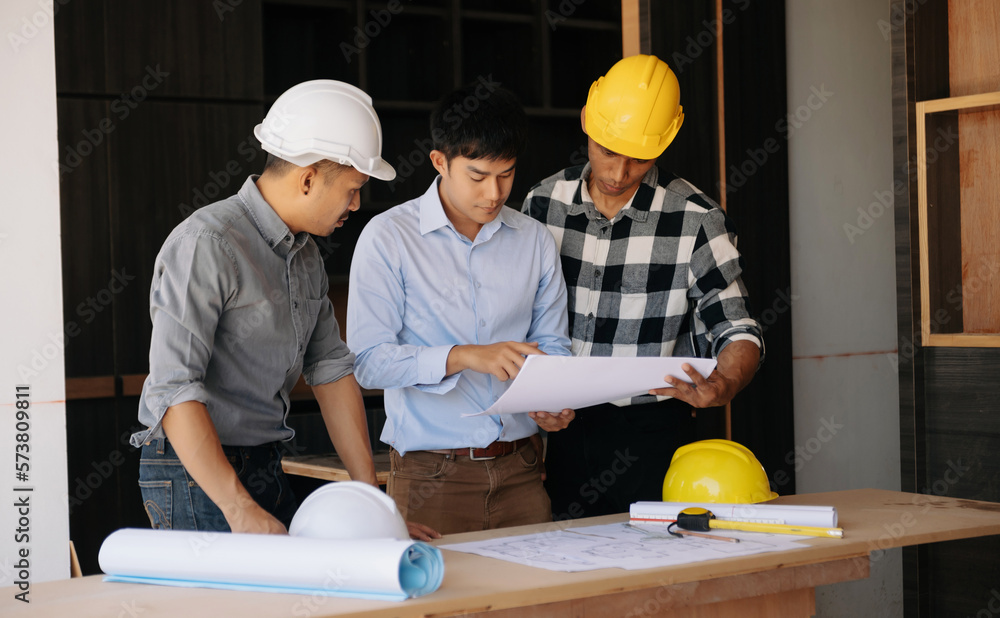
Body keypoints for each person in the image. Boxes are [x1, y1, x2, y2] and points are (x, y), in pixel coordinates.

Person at [132, 79, 437, 541]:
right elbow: (173, 390)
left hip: (263, 460)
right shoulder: (207, 244)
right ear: (309, 178)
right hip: (195, 472)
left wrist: (375, 507)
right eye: (353, 189)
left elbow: (331, 370)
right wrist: (237, 507)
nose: (356, 204)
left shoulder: (306, 255)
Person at [522, 55, 764, 519]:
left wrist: (725, 382)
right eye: (608, 150)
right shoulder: (541, 205)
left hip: (654, 431)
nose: (618, 173)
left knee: (659, 574)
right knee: (571, 572)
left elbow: (737, 328)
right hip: (562, 428)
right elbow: (517, 316)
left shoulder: (696, 219)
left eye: (638, 159)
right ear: (587, 122)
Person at [347, 85, 575, 535]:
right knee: (436, 603)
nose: (494, 193)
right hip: (431, 477)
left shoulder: (534, 240)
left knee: (536, 603)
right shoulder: (389, 237)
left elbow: (552, 347)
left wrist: (556, 401)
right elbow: (368, 363)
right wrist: (466, 355)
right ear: (439, 162)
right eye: (477, 176)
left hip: (524, 472)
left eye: (506, 175)